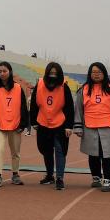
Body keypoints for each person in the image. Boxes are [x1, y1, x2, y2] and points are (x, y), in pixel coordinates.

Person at [74, 62, 110, 192]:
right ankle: (96, 177)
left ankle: (108, 180)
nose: (96, 75)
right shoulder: (83, 90)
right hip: (89, 127)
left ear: (104, 73)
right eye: (94, 72)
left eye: (99, 72)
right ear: (90, 74)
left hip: (108, 128)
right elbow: (78, 109)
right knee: (93, 154)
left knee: (107, 155)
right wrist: (78, 127)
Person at [30, 62, 75, 190]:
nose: (53, 75)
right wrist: (33, 121)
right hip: (43, 122)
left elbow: (69, 107)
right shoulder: (39, 84)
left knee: (60, 150)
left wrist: (69, 126)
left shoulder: (64, 87)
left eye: (55, 73)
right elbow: (33, 104)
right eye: (51, 73)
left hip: (60, 123)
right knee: (46, 150)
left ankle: (60, 178)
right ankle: (50, 175)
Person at [0, 61, 30, 188]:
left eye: (4, 71)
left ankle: (15, 174)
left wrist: (22, 124)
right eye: (0, 71)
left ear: (10, 72)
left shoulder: (18, 88)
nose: (2, 73)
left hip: (15, 125)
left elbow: (23, 107)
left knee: (15, 152)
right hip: (0, 125)